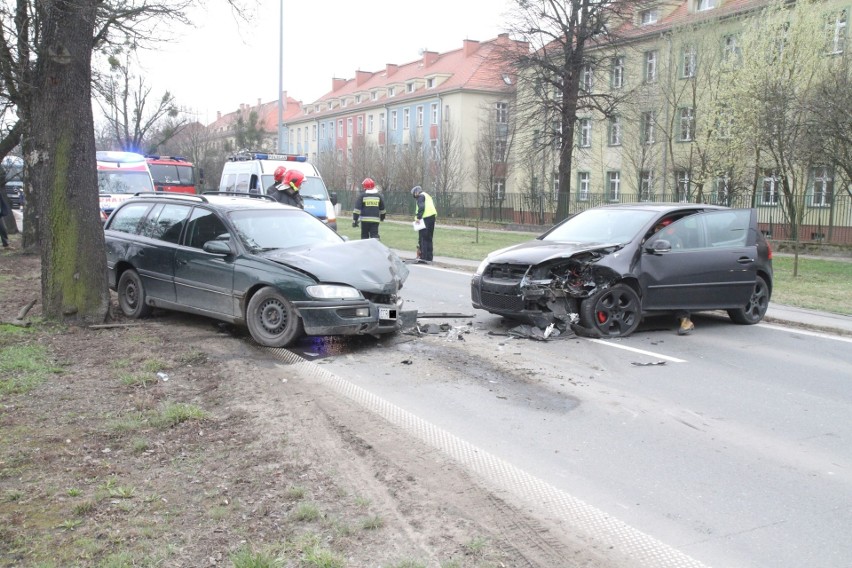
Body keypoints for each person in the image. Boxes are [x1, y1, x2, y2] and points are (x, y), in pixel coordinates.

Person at [411, 185, 437, 263]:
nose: (415, 197)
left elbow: (421, 207)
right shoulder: (427, 195)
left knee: (423, 238)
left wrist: (418, 217)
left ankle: (423, 258)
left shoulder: (421, 196)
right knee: (429, 238)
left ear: (416, 192)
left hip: (425, 219)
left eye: (414, 195)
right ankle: (429, 258)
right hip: (432, 218)